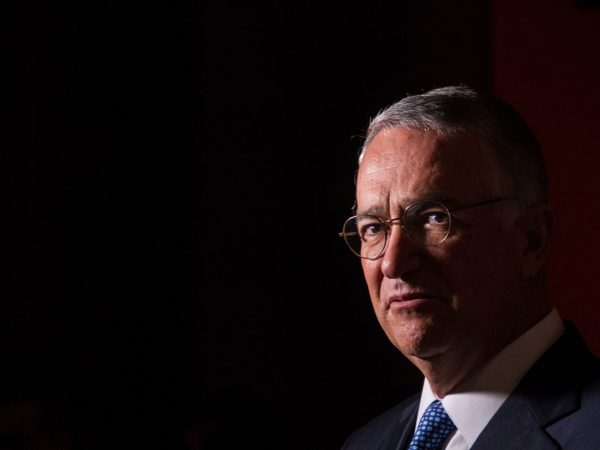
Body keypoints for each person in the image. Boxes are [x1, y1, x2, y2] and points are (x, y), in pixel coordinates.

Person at [339, 86, 600, 449]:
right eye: (373, 228)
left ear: (531, 240)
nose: (393, 263)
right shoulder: (365, 443)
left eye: (433, 218)